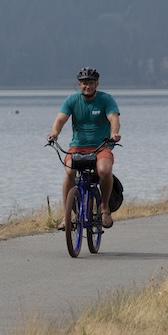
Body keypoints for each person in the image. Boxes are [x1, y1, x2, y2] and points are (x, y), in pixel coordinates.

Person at [47, 67, 121, 230]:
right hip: (77, 147)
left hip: (101, 146)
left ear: (97, 84)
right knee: (69, 172)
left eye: (91, 83)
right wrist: (54, 133)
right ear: (79, 85)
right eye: (84, 83)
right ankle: (68, 216)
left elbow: (113, 118)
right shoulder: (71, 100)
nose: (88, 86)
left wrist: (114, 133)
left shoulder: (106, 99)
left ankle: (104, 209)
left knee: (104, 170)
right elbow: (60, 120)